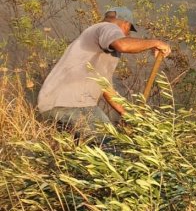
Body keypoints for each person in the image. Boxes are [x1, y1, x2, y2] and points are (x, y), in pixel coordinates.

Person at [37, 7, 171, 142]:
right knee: (109, 145)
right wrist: (156, 42)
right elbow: (122, 45)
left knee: (83, 154)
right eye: (129, 30)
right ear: (126, 24)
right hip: (73, 104)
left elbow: (105, 87)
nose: (127, 35)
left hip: (50, 106)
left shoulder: (93, 41)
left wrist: (127, 114)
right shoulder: (108, 28)